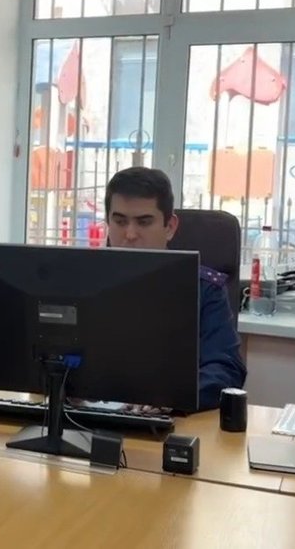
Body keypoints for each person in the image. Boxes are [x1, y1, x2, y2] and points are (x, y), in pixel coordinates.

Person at [104, 166, 247, 410]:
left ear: (169, 227)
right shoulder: (85, 282)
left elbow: (226, 369)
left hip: (169, 420)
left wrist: (171, 397)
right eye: (120, 221)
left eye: (144, 222)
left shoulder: (204, 289)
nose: (130, 234)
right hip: (92, 416)